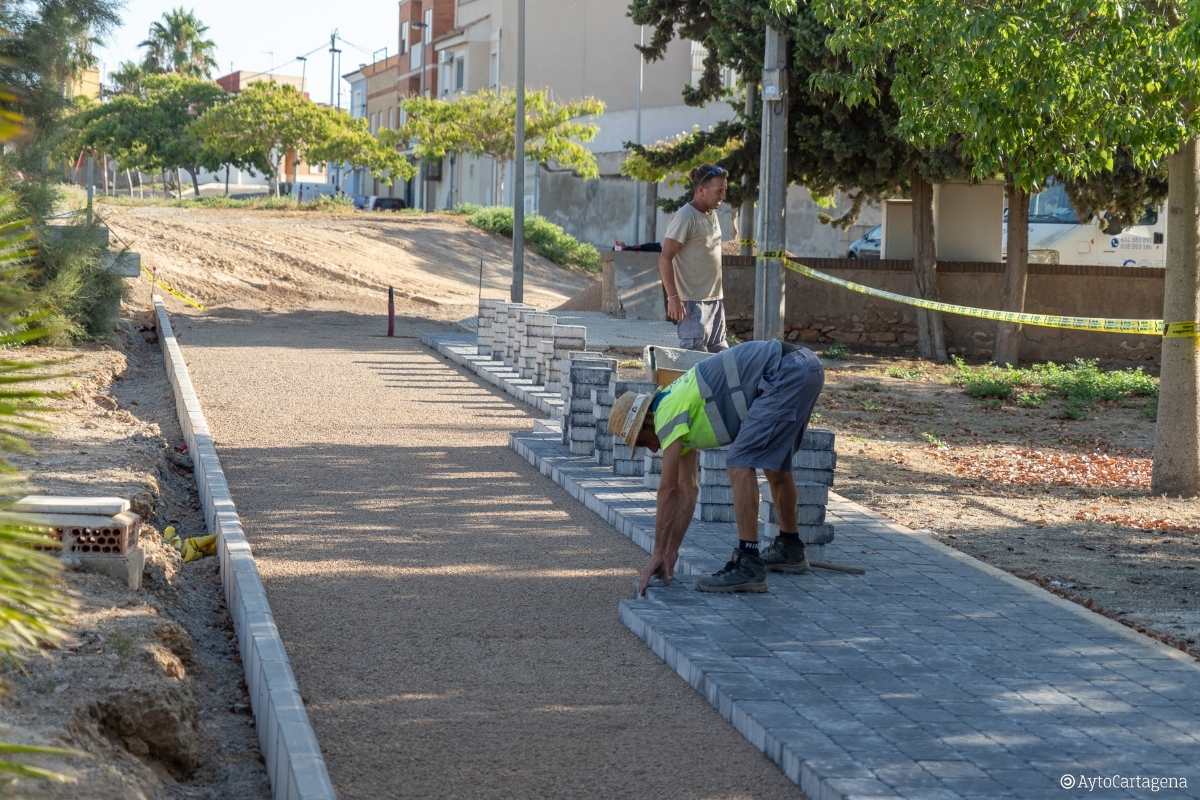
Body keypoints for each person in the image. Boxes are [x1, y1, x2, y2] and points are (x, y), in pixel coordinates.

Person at [608, 340, 826, 595]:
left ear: (647, 419)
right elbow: (687, 489)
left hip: (786, 371)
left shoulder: (666, 412)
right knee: (774, 464)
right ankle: (790, 547)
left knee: (739, 460)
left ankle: (748, 562)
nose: (653, 450)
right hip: (806, 367)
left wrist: (656, 552)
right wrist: (670, 552)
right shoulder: (674, 408)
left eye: (645, 442)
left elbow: (668, 490)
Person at [659, 164, 728, 353]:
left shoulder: (711, 214)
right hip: (692, 304)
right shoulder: (685, 217)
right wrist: (673, 298)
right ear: (701, 190)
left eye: (724, 190)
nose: (723, 196)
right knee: (695, 363)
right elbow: (665, 258)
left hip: (715, 301)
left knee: (721, 360)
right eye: (719, 191)